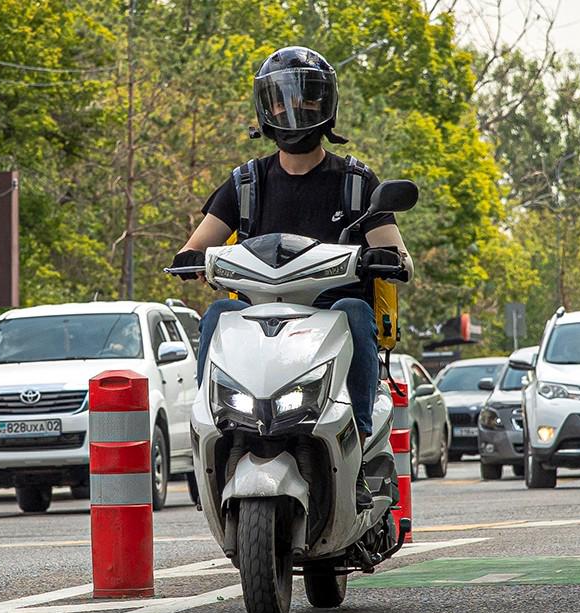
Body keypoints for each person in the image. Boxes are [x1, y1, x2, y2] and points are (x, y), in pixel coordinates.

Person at [171, 46, 414, 509]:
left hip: (328, 321)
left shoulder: (357, 182)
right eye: (280, 100)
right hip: (259, 321)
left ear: (327, 106)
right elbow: (195, 245)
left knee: (355, 309)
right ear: (265, 109)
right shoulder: (246, 184)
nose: (292, 109)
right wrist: (189, 259)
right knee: (219, 312)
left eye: (306, 98)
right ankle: (211, 446)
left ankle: (357, 446)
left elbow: (398, 253)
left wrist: (389, 258)